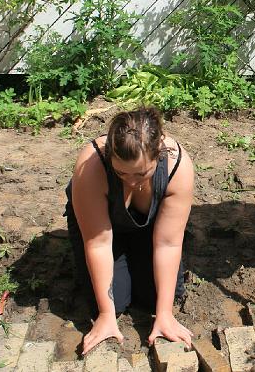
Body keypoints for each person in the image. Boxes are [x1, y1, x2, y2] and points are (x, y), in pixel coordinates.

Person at [65, 107, 194, 354]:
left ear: (159, 154)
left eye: (141, 173)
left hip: (153, 229)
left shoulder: (178, 167)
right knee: (117, 303)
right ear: (110, 156)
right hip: (102, 228)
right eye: (121, 172)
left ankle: (136, 254)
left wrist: (165, 314)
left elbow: (168, 244)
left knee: (153, 300)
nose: (132, 181)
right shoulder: (91, 166)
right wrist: (105, 314)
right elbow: (98, 243)